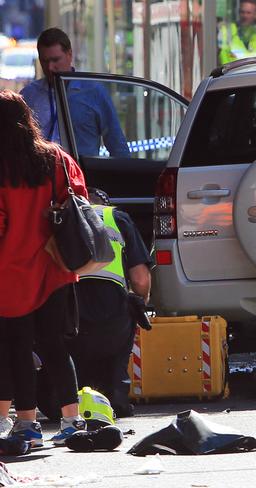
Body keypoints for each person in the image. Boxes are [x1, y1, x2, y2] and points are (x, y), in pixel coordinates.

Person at [0, 90, 88, 447]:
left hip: (10, 271)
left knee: (17, 347)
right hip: (54, 264)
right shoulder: (55, 157)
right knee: (54, 344)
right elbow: (79, 198)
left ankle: (28, 425)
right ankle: (71, 419)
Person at [68, 187, 152, 418]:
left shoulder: (64, 217)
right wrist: (140, 304)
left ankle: (70, 405)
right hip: (113, 307)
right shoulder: (117, 218)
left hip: (70, 305)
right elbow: (140, 278)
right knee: (115, 354)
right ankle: (116, 400)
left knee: (70, 356)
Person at [20, 28, 129, 158]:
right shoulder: (29, 95)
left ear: (69, 55)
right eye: (45, 61)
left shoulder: (93, 92)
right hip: (42, 175)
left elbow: (117, 145)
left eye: (55, 60)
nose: (50, 67)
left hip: (81, 174)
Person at [218, 0, 256, 65]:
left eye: (248, 13)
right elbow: (222, 56)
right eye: (242, 12)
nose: (245, 16)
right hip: (233, 73)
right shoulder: (227, 31)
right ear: (238, 13)